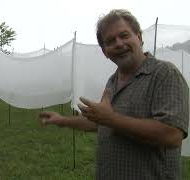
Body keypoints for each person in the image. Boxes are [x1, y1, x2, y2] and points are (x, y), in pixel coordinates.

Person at [39, 9, 189, 180]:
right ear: (105, 52)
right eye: (110, 41)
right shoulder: (113, 80)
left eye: (124, 35)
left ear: (139, 38)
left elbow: (172, 135)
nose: (118, 43)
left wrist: (110, 119)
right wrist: (62, 120)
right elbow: (101, 122)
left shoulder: (164, 73)